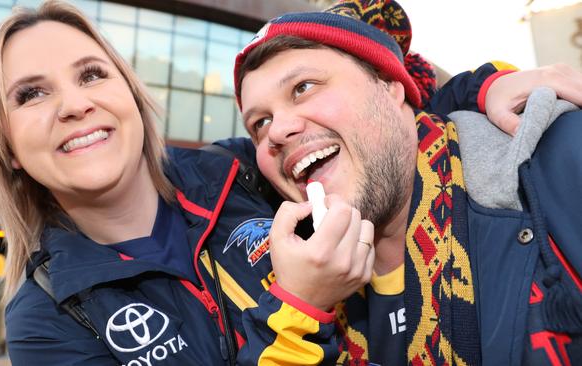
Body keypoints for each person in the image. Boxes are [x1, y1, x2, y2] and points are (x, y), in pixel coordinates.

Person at [0, 1, 377, 365]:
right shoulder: (44, 321)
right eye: (31, 94)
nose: (76, 105)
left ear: (131, 94)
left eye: (92, 75)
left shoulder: (244, 170)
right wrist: (298, 307)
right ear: (8, 149)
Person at [233, 0, 582, 365]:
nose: (278, 130)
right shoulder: (282, 284)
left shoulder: (560, 163)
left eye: (304, 87)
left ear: (390, 87)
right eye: (260, 123)